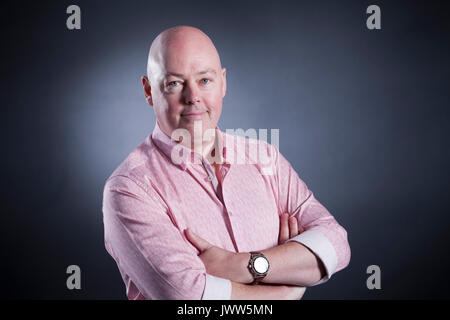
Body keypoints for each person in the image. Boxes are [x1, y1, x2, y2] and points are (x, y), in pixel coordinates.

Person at [102, 25, 351, 300]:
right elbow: (186, 297)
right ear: (149, 91)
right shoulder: (129, 188)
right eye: (174, 83)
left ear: (223, 83)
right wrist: (285, 289)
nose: (193, 96)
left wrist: (242, 266)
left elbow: (337, 246)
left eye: (204, 80)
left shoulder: (264, 158)